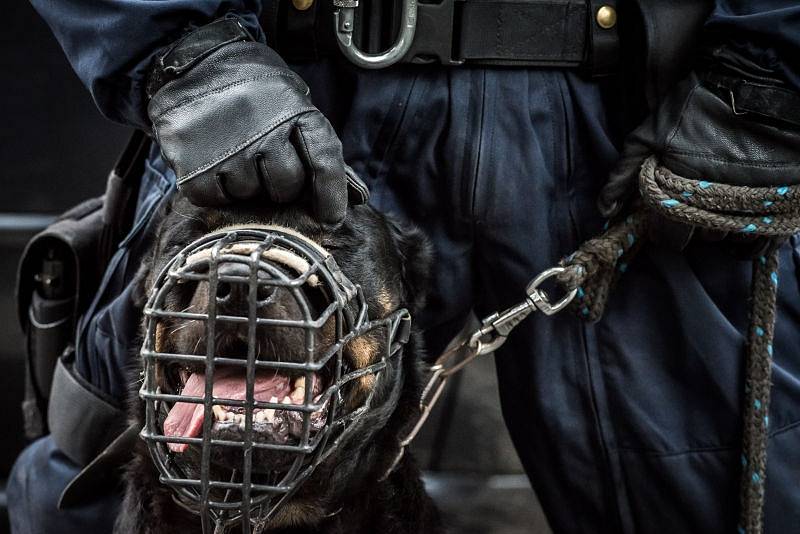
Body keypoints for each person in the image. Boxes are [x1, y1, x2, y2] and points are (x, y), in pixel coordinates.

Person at [8, 0, 800, 532]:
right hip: (283, 90)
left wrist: (771, 75)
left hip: (638, 105)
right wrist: (180, 52)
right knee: (104, 480)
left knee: (731, 498)